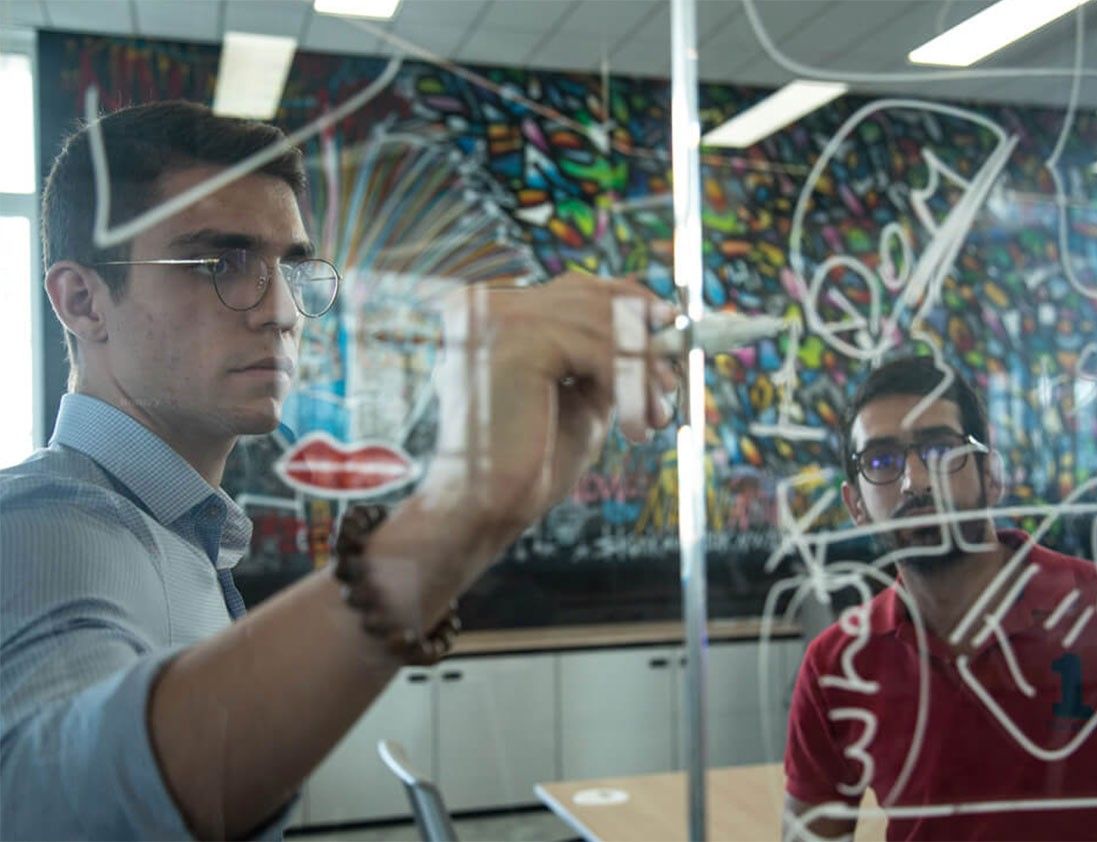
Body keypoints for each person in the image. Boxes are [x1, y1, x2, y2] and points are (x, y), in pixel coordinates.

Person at [0, 101, 676, 839]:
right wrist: (459, 503)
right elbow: (64, 807)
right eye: (222, 264)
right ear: (81, 300)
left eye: (291, 268)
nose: (284, 311)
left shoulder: (181, 530)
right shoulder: (39, 525)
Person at [783, 356, 1097, 841]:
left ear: (991, 476)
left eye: (940, 450)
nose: (915, 481)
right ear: (856, 504)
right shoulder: (839, 665)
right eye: (881, 461)